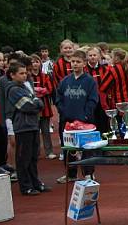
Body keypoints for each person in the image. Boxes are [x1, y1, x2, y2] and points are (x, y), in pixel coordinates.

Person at [55, 50, 98, 183]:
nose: (75, 64)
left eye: (78, 62)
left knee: (87, 148)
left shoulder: (90, 81)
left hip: (85, 121)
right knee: (68, 148)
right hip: (67, 120)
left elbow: (93, 100)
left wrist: (85, 115)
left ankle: (88, 173)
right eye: (73, 61)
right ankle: (71, 174)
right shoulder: (65, 81)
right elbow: (58, 98)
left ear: (84, 63)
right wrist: (63, 111)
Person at [7, 63, 49, 195]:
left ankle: (35, 182)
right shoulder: (13, 89)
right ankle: (26, 186)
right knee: (24, 158)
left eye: (25, 73)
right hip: (22, 127)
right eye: (21, 73)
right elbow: (27, 106)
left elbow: (39, 103)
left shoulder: (26, 88)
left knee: (33, 157)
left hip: (32, 125)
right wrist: (35, 101)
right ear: (12, 75)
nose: (24, 75)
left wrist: (35, 101)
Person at [99, 49, 128, 137]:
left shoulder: (113, 70)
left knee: (122, 124)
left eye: (112, 57)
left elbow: (103, 86)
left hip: (118, 102)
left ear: (116, 58)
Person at [28, 53, 57, 159]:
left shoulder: (45, 76)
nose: (35, 64)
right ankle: (35, 152)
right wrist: (39, 90)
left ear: (40, 63)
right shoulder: (27, 76)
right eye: (32, 62)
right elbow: (27, 90)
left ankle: (49, 151)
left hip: (45, 107)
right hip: (32, 108)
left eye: (37, 61)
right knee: (34, 132)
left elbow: (49, 89)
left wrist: (38, 91)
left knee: (46, 131)